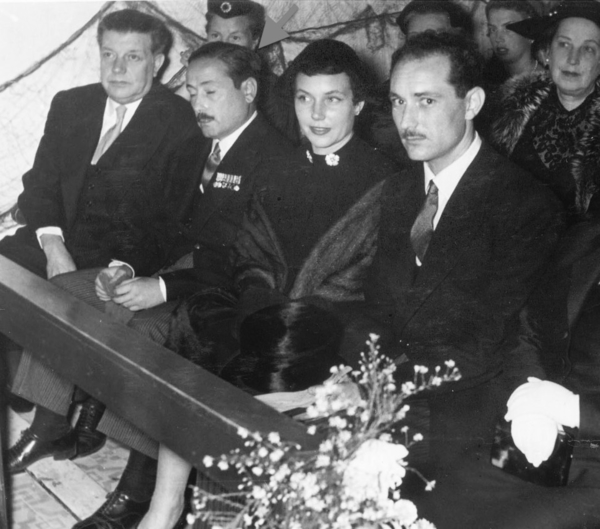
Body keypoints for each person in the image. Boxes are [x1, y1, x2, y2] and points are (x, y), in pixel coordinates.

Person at [9, 41, 294, 529]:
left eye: (210, 91)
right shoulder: (199, 142)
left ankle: (138, 492)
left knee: (151, 335)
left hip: (222, 293)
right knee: (67, 294)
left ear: (248, 90)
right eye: (192, 91)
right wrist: (126, 266)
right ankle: (52, 424)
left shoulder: (273, 159)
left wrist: (161, 288)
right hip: (174, 271)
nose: (198, 103)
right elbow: (155, 221)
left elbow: (243, 262)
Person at [128, 38, 398, 529]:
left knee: (258, 372)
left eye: (332, 99)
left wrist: (289, 320)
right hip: (263, 311)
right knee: (195, 327)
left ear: (358, 105)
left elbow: (369, 284)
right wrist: (263, 308)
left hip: (333, 330)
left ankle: (222, 511)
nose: (316, 114)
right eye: (304, 98)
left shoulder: (386, 181)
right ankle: (163, 507)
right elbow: (249, 254)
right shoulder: (277, 167)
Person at [339, 31, 564, 481]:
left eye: (426, 101)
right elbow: (379, 305)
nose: (407, 120)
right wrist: (355, 375)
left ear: (472, 103)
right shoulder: (400, 189)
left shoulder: (525, 203)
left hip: (471, 411)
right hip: (398, 391)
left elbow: (487, 339)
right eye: (398, 102)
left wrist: (379, 388)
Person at [2, 6, 203, 466]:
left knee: (69, 302)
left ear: (158, 62)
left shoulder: (180, 122)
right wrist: (52, 244)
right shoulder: (71, 104)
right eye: (108, 54)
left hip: (119, 258)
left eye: (133, 57)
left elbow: (170, 221)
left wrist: (124, 267)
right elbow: (40, 184)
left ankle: (48, 427)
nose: (117, 68)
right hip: (52, 241)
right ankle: (20, 385)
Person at [420, 217, 600, 529]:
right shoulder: (588, 236)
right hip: (551, 429)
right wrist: (530, 398)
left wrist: (575, 410)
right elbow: (529, 327)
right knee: (444, 496)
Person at [490, 0, 600, 220]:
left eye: (588, 49)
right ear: (547, 52)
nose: (573, 59)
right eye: (564, 44)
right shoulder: (511, 105)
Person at [483, 0, 540, 91]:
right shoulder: (485, 80)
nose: (498, 38)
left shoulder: (549, 83)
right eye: (493, 29)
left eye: (508, 29)